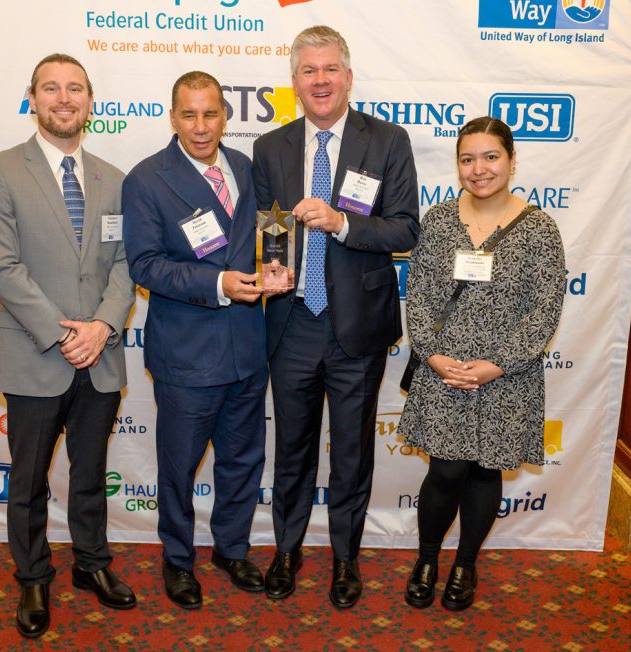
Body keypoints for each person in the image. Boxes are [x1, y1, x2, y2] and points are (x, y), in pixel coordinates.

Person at [0, 53, 137, 638]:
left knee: (90, 473)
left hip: (101, 354)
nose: (64, 99)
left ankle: (91, 565)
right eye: (51, 89)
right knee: (29, 480)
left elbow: (124, 265)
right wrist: (67, 331)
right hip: (36, 355)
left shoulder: (116, 179)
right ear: (32, 99)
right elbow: (2, 266)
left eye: (76, 89)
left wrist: (103, 327)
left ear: (90, 101)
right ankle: (34, 577)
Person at [252, 25, 420, 608]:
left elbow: (405, 228)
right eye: (308, 71)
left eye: (330, 70)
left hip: (358, 327)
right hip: (292, 322)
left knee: (352, 451)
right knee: (292, 448)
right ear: (294, 80)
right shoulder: (270, 148)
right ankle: (287, 549)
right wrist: (269, 266)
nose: (320, 81)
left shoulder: (388, 140)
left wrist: (343, 223)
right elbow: (265, 225)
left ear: (348, 76)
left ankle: (346, 558)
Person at [399, 116, 565, 611]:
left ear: (512, 161)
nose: (479, 169)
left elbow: (546, 309)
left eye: (490, 157)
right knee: (446, 472)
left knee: (485, 472)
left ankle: (466, 563)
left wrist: (497, 364)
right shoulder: (439, 220)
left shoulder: (539, 229)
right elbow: (421, 296)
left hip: (504, 378)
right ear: (457, 166)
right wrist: (433, 354)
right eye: (468, 159)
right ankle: (427, 559)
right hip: (443, 372)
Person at [122, 71, 268, 610]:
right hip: (187, 354)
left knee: (243, 460)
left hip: (249, 347)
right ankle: (178, 560)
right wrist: (218, 284)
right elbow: (145, 266)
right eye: (190, 114)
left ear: (225, 115)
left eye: (211, 114)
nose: (201, 126)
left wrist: (269, 274)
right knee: (179, 468)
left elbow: (257, 242)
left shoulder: (247, 168)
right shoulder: (146, 179)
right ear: (173, 117)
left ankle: (231, 549)